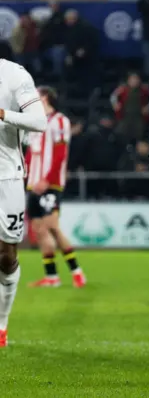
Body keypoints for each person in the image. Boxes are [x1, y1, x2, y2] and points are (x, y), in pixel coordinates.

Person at [0, 59, 47, 347]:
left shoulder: (14, 74)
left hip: (6, 176)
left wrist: (3, 114)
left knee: (6, 256)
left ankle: (2, 324)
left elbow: (39, 122)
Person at [25, 86, 86, 289]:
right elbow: (30, 153)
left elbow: (60, 154)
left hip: (50, 183)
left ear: (44, 97)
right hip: (33, 183)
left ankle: (76, 272)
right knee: (39, 229)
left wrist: (47, 179)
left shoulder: (60, 121)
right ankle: (52, 277)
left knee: (52, 225)